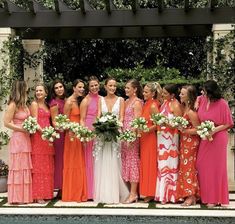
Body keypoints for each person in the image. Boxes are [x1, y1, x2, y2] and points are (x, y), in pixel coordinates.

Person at [196, 80, 233, 207]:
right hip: (205, 138)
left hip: (218, 137)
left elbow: (228, 123)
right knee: (201, 164)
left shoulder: (222, 103)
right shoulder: (202, 100)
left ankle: (215, 198)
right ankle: (206, 196)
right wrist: (197, 100)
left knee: (216, 168)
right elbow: (197, 97)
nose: (202, 93)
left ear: (211, 92)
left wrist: (213, 130)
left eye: (204, 91)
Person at [93, 77, 129, 204]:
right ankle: (104, 193)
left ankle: (115, 193)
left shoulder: (121, 100)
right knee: (103, 162)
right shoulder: (100, 100)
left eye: (114, 86)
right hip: (102, 134)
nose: (112, 88)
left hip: (115, 134)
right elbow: (98, 115)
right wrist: (99, 126)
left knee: (114, 161)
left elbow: (122, 117)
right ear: (105, 86)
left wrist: (115, 126)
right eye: (110, 85)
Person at [4, 80, 33, 204]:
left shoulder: (25, 105)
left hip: (26, 138)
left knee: (25, 166)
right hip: (18, 138)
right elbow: (6, 122)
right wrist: (21, 128)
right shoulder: (13, 104)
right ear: (21, 89)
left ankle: (24, 196)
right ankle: (17, 197)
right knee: (18, 167)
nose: (27, 89)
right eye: (25, 87)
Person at [155, 83, 182, 204]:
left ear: (172, 95)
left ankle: (171, 195)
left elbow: (179, 124)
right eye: (163, 92)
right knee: (162, 165)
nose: (162, 94)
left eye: (165, 93)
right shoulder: (165, 103)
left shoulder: (176, 105)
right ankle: (162, 194)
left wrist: (166, 123)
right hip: (162, 138)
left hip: (171, 140)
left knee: (170, 165)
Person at [62, 79, 87, 202]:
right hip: (71, 136)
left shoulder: (80, 100)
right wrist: (71, 129)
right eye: (79, 87)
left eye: (83, 87)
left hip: (79, 135)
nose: (82, 89)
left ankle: (79, 191)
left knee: (80, 162)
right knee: (72, 163)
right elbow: (64, 121)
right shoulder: (69, 102)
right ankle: (71, 193)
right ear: (74, 88)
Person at [30, 83, 54, 204]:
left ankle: (47, 193)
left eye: (41, 90)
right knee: (39, 166)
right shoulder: (34, 104)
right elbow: (34, 122)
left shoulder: (46, 105)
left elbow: (49, 121)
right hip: (39, 136)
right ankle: (38, 194)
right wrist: (45, 133)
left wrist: (51, 134)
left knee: (46, 166)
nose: (38, 92)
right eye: (37, 90)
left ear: (46, 93)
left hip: (47, 137)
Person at [176, 85, 200, 206]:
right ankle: (187, 194)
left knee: (189, 168)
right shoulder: (185, 108)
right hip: (184, 142)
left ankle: (191, 196)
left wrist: (184, 131)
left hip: (191, 143)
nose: (180, 95)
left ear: (189, 97)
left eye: (182, 94)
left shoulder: (191, 112)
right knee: (185, 168)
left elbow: (198, 130)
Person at [121, 79, 143, 203]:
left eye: (128, 88)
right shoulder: (126, 101)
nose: (126, 90)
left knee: (133, 162)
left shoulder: (137, 102)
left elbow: (137, 121)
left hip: (132, 137)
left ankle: (134, 193)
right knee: (126, 162)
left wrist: (131, 137)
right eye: (125, 88)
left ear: (135, 89)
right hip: (124, 136)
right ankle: (130, 191)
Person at [140, 82, 161, 203]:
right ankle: (146, 191)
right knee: (145, 164)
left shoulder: (153, 105)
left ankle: (151, 192)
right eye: (144, 91)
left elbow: (158, 124)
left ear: (153, 93)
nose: (144, 93)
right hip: (144, 138)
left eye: (146, 92)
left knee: (150, 164)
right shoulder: (146, 104)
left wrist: (148, 129)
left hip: (150, 138)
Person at [80, 76, 100, 200]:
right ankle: (89, 192)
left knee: (98, 162)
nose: (94, 87)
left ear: (99, 85)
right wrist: (85, 134)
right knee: (89, 162)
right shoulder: (85, 100)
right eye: (91, 85)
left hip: (99, 132)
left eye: (96, 85)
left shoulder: (102, 99)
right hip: (88, 132)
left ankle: (98, 190)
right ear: (89, 87)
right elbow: (81, 119)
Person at [49, 79, 66, 198]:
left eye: (61, 87)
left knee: (66, 161)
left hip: (68, 133)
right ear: (53, 90)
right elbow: (54, 122)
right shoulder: (54, 103)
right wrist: (63, 128)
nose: (59, 89)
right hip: (59, 135)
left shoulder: (66, 100)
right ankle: (59, 187)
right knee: (60, 161)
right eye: (56, 88)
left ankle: (65, 186)